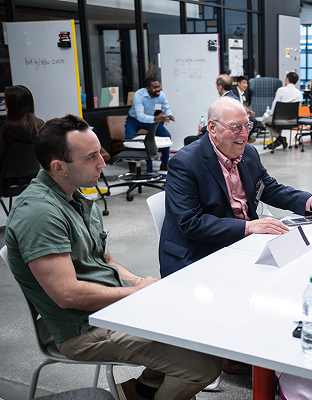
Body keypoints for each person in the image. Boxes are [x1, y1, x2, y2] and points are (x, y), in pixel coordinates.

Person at [6, 115, 222, 400]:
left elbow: (105, 262)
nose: (103, 163)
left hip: (107, 310)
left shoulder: (77, 200)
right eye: (91, 157)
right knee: (203, 366)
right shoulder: (39, 214)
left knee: (196, 329)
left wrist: (140, 284)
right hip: (81, 329)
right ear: (59, 167)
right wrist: (133, 293)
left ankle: (139, 391)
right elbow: (67, 295)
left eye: (99, 152)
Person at [159, 97, 312, 278]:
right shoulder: (185, 163)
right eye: (236, 127)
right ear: (212, 128)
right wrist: (248, 227)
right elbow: (191, 223)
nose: (244, 135)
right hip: (199, 253)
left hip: (241, 243)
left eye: (247, 126)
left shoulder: (248, 153)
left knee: (299, 267)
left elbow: (268, 188)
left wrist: (310, 202)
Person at [126, 77, 174, 172]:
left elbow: (166, 106)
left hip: (151, 120)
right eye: (155, 87)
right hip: (135, 120)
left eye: (158, 86)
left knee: (166, 136)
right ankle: (132, 166)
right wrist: (156, 118)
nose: (157, 89)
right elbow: (140, 116)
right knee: (129, 139)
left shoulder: (161, 95)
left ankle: (164, 163)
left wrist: (169, 114)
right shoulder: (139, 95)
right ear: (147, 88)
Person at [0, 85, 44, 165]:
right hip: (33, 173)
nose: (3, 102)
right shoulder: (40, 124)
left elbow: (2, 156)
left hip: (9, 175)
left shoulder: (9, 128)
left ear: (14, 103)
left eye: (6, 99)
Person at [263, 71, 303, 150]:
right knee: (276, 119)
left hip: (279, 119)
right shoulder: (299, 93)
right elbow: (298, 107)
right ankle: (278, 141)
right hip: (293, 120)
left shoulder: (281, 90)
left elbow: (275, 106)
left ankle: (280, 138)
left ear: (287, 79)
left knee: (265, 121)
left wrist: (271, 114)